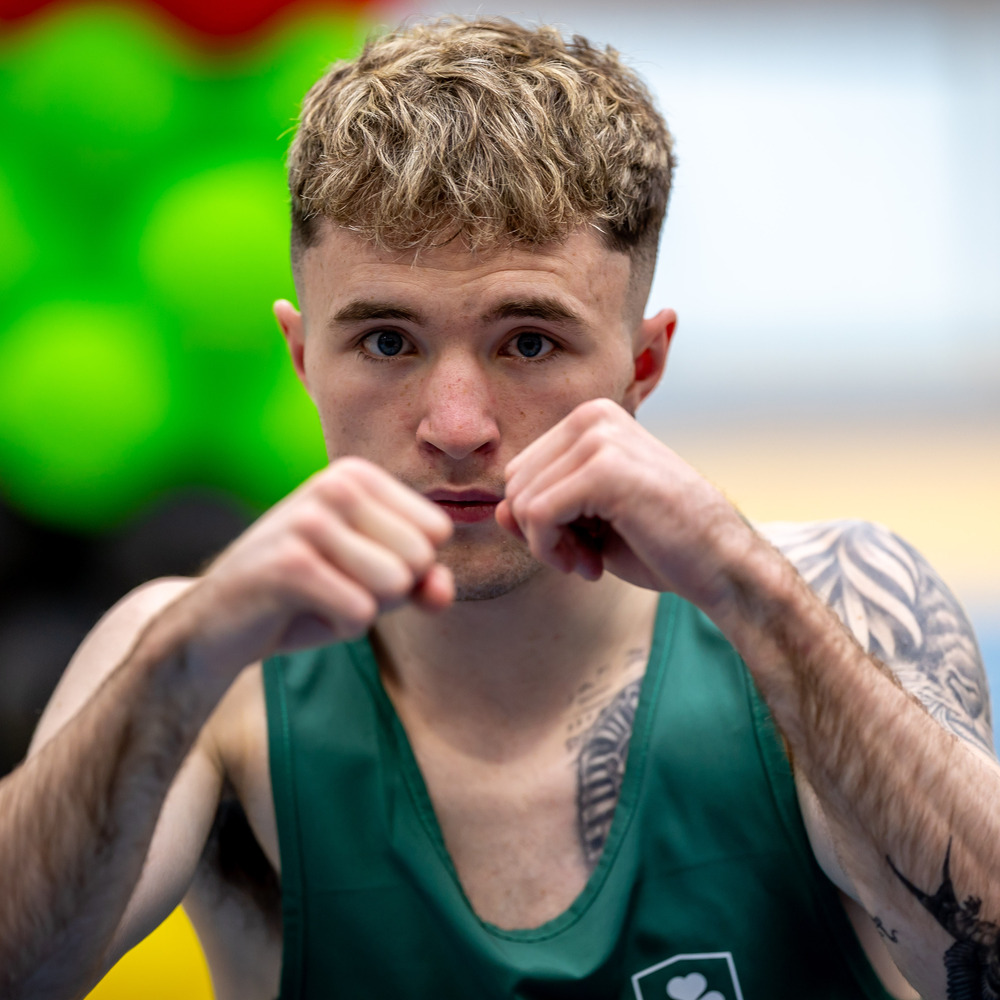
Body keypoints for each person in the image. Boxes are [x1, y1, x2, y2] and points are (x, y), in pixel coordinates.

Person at [7, 16, 998, 1000]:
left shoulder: (840, 602)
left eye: (527, 342)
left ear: (642, 364)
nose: (455, 425)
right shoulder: (197, 665)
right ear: (304, 359)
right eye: (387, 342)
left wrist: (753, 594)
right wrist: (181, 658)